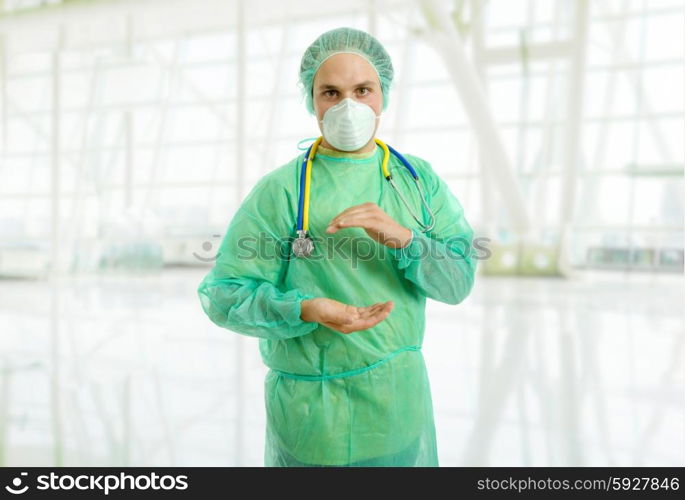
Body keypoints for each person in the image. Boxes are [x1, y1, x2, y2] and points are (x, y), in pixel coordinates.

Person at [197, 26, 476, 467]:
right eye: (331, 92)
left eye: (363, 90)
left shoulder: (416, 182)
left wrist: (404, 239)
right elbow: (224, 294)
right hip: (312, 418)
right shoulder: (283, 190)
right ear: (311, 100)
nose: (348, 107)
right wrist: (306, 310)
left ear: (383, 94)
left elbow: (458, 281)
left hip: (394, 410)